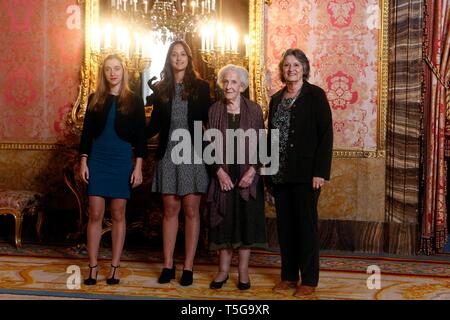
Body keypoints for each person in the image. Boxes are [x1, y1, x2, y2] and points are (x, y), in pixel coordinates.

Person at [267, 48, 333, 296]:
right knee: (285, 228)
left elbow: (326, 135)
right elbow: (271, 138)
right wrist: (268, 174)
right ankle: (287, 276)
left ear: (304, 68)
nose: (291, 69)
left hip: (307, 174)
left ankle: (309, 280)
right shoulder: (276, 99)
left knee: (305, 227)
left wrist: (320, 172)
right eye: (286, 66)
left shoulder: (315, 95)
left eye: (296, 65)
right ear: (282, 71)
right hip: (280, 174)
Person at [147, 40, 211, 286]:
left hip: (193, 153)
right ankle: (167, 264)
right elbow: (153, 127)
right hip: (168, 154)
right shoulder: (162, 89)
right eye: (174, 54)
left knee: (191, 210)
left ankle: (188, 267)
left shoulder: (202, 88)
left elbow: (210, 121)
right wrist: (129, 129)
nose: (179, 58)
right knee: (170, 210)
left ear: (189, 58)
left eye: (183, 54)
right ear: (169, 59)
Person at [79, 54, 147, 285]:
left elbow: (140, 137)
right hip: (98, 159)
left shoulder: (134, 100)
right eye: (108, 69)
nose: (113, 73)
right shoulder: (94, 99)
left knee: (118, 214)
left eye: (117, 68)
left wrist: (138, 167)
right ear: (104, 73)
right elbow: (86, 133)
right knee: (95, 213)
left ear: (123, 71)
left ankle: (115, 267)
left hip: (121, 161)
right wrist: (83, 161)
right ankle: (93, 267)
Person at [206, 64, 266, 291]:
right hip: (223, 175)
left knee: (245, 222)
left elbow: (262, 145)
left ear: (242, 86)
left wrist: (252, 171)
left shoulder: (254, 110)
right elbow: (208, 147)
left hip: (247, 176)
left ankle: (243, 271)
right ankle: (222, 271)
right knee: (224, 222)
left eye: (234, 82)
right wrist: (218, 172)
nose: (229, 86)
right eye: (226, 82)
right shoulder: (214, 110)